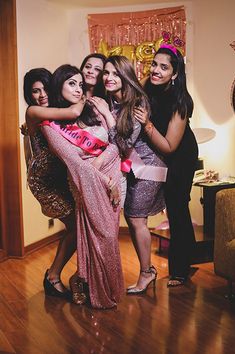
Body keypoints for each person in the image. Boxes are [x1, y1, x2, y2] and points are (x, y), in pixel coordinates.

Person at [41, 64, 124, 309]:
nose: (79, 89)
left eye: (80, 83)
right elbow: (73, 162)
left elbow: (117, 144)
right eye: (71, 83)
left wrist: (105, 170)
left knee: (110, 237)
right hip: (87, 182)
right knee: (97, 236)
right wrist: (104, 180)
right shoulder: (51, 124)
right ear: (59, 86)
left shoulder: (92, 110)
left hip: (110, 174)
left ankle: (102, 287)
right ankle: (90, 286)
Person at [90, 55, 167, 295]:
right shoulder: (111, 100)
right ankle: (147, 271)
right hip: (129, 170)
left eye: (115, 74)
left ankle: (147, 272)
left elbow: (124, 143)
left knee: (136, 220)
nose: (109, 78)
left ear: (125, 77)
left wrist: (108, 115)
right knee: (134, 220)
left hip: (147, 167)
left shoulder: (137, 103)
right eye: (107, 73)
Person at [135, 44, 198, 287]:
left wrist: (147, 123)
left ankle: (180, 270)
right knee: (176, 207)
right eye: (154, 64)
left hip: (181, 156)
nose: (156, 70)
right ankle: (190, 252)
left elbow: (170, 146)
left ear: (174, 74)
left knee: (176, 207)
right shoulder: (147, 86)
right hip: (158, 150)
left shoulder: (181, 100)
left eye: (164, 67)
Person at [23, 68, 85, 298]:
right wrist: (86, 93)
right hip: (44, 182)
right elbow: (73, 111)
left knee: (77, 226)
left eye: (44, 89)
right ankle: (53, 276)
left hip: (60, 178)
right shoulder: (34, 111)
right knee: (76, 227)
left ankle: (58, 275)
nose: (41, 95)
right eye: (34, 91)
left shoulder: (52, 109)